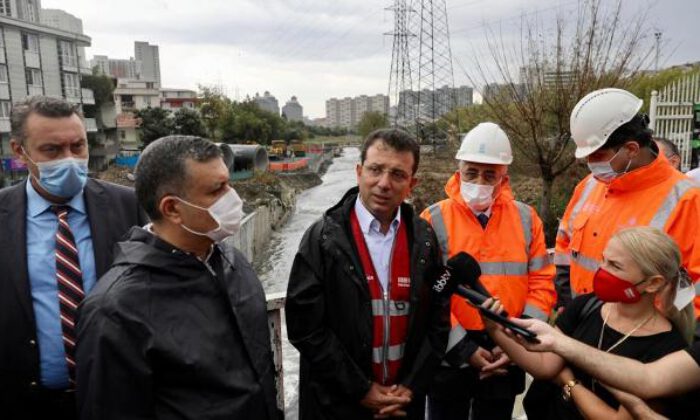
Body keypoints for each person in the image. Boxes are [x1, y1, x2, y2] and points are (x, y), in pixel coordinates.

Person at [75, 136, 280, 420]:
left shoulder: (232, 262)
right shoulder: (115, 311)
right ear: (171, 208)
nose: (234, 197)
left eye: (228, 182)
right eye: (217, 189)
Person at [286, 128, 451, 419]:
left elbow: (438, 319)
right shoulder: (324, 238)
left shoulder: (424, 240)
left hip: (403, 404)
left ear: (412, 183)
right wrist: (361, 390)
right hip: (340, 405)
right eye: (375, 170)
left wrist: (410, 388)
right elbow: (305, 327)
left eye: (398, 175)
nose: (384, 184)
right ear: (359, 171)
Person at [0, 96, 146, 420]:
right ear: (19, 151)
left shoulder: (127, 206)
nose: (69, 159)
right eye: (52, 150)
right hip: (24, 403)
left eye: (78, 146)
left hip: (120, 400)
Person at [483, 226, 694, 419]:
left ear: (652, 283)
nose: (601, 270)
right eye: (604, 259)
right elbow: (545, 366)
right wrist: (494, 327)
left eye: (614, 266)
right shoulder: (588, 305)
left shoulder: (668, 348)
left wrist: (569, 381)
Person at [420, 122, 556, 420]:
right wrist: (463, 348)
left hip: (509, 346)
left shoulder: (525, 218)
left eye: (489, 174)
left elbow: (542, 283)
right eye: (471, 172)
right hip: (449, 351)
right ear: (458, 172)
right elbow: (427, 293)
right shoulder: (432, 218)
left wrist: (520, 341)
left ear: (503, 177)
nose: (479, 180)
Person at [554, 88, 700, 325]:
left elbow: (694, 287)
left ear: (631, 149)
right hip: (581, 322)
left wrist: (667, 337)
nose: (591, 165)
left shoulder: (687, 200)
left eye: (598, 155)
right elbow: (564, 244)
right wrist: (565, 302)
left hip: (639, 338)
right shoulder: (589, 186)